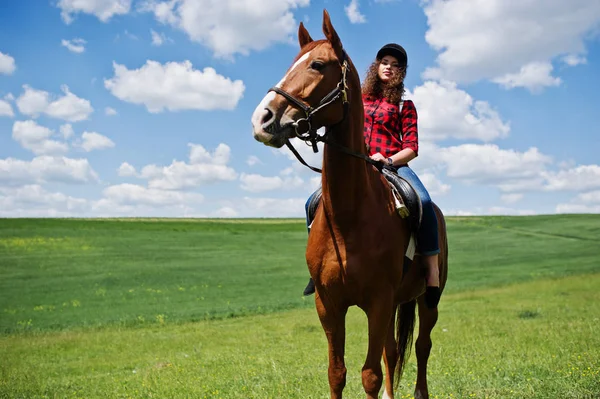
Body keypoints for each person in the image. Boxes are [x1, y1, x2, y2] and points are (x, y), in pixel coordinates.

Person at [302, 43, 441, 309]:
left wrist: (388, 160)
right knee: (312, 202)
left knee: (423, 201)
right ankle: (316, 267)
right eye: (384, 61)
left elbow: (411, 147)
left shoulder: (404, 105)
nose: (389, 67)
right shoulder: (358, 101)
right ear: (376, 66)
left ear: (401, 72)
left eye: (395, 64)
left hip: (393, 166)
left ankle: (432, 270)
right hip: (358, 166)